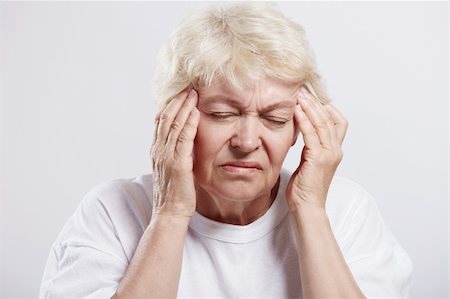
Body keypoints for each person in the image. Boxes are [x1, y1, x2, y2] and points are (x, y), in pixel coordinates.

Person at [40, 3, 413, 298]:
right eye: (222, 114)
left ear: (303, 126)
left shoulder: (345, 211)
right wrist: (170, 213)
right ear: (174, 117)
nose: (247, 141)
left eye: (275, 118)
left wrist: (310, 211)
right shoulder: (112, 211)